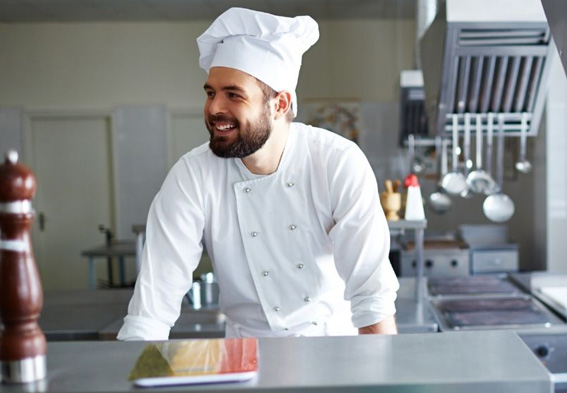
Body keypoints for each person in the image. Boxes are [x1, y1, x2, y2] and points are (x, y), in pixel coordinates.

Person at [117, 7, 399, 340]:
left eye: (233, 94)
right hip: (245, 359)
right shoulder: (192, 176)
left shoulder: (336, 162)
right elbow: (152, 308)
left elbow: (372, 297)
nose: (213, 108)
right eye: (211, 93)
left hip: (332, 348)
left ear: (280, 104)